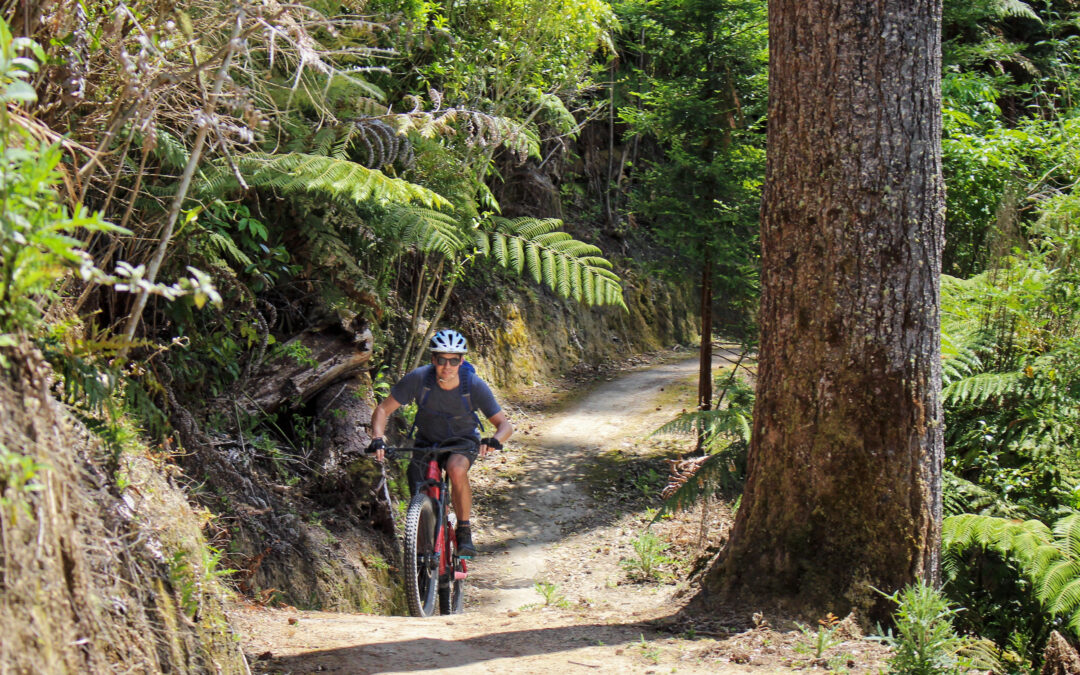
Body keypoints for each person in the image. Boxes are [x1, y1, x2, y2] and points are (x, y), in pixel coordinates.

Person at [367, 329, 513, 557]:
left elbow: (505, 425)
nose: (447, 366)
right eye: (442, 360)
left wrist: (494, 440)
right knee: (419, 488)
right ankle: (422, 549)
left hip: (462, 442)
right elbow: (383, 410)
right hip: (426, 442)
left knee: (456, 468)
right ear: (433, 359)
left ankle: (463, 529)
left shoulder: (473, 385)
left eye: (454, 360)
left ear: (461, 361)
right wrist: (378, 438)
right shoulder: (418, 379)